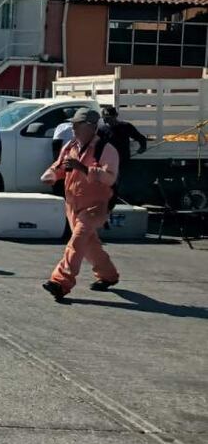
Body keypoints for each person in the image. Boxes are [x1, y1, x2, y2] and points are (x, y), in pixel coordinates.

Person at [40, 108, 120, 301]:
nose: (73, 128)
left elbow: (109, 178)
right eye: (73, 124)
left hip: (97, 206)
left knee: (77, 240)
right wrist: (51, 175)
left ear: (91, 127)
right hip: (73, 205)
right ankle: (108, 276)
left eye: (77, 124)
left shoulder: (106, 150)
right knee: (90, 245)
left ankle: (61, 282)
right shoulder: (70, 146)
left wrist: (83, 168)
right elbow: (60, 166)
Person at [99, 105, 148, 208]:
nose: (108, 121)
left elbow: (141, 138)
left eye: (110, 118)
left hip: (124, 163)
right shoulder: (102, 131)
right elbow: (97, 147)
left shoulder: (126, 127)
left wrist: (142, 147)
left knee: (125, 187)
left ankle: (128, 206)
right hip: (108, 165)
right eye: (106, 118)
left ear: (116, 116)